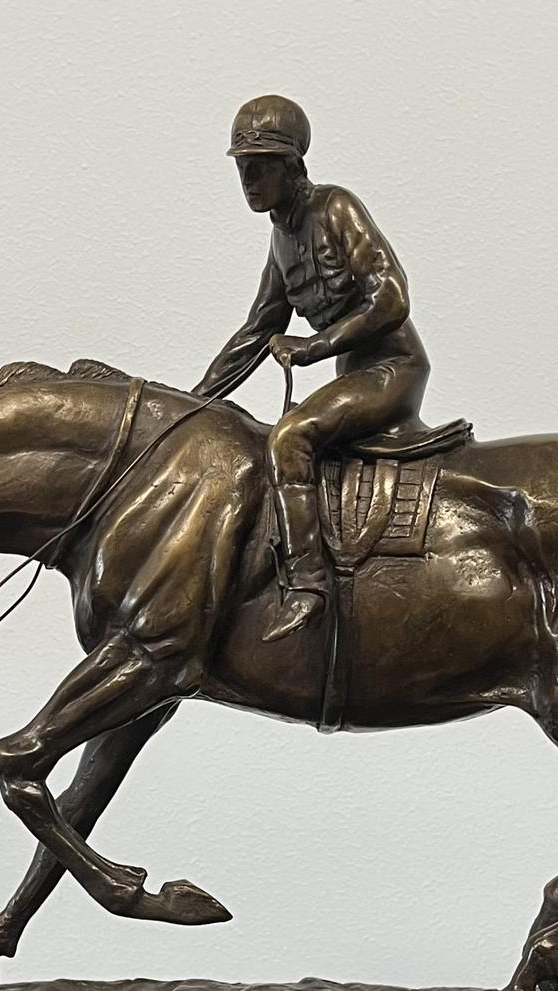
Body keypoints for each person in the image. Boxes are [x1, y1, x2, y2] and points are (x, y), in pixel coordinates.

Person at [193, 95, 431, 641]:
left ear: (292, 166)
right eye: (242, 168)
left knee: (289, 439)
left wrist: (315, 345)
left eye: (262, 167)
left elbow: (392, 298)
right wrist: (194, 402)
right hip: (353, 376)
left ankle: (308, 584)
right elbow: (258, 330)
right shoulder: (281, 239)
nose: (249, 179)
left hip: (392, 369)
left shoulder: (336, 208)